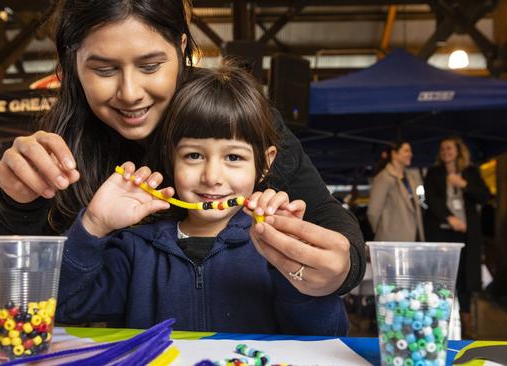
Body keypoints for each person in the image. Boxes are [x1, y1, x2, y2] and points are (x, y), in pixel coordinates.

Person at [0, 0, 364, 311]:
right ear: (72, 64)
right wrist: (14, 203)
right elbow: (10, 297)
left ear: (181, 48)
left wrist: (341, 270)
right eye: (103, 69)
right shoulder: (59, 148)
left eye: (150, 66)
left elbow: (326, 216)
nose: (130, 92)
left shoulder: (230, 119)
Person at [56, 64, 349, 335]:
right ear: (172, 159)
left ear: (265, 163)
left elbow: (327, 336)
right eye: (193, 155)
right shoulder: (135, 249)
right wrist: (94, 224)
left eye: (233, 157)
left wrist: (294, 264)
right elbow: (66, 307)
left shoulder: (276, 247)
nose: (211, 176)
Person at [424, 136, 490, 337]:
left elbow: (485, 196)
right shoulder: (434, 173)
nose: (446, 151)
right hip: (442, 233)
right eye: (442, 148)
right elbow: (431, 199)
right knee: (441, 277)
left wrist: (464, 184)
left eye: (449, 148)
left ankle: (467, 323)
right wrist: (449, 218)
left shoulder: (470, 172)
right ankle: (437, 322)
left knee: (465, 278)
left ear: (458, 151)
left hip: (467, 235)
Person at [367, 141, 425, 242]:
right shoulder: (384, 177)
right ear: (394, 153)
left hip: (414, 236)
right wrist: (383, 230)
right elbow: (373, 211)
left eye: (410, 151)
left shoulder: (411, 177)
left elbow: (420, 201)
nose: (410, 154)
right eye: (406, 151)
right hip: (392, 239)